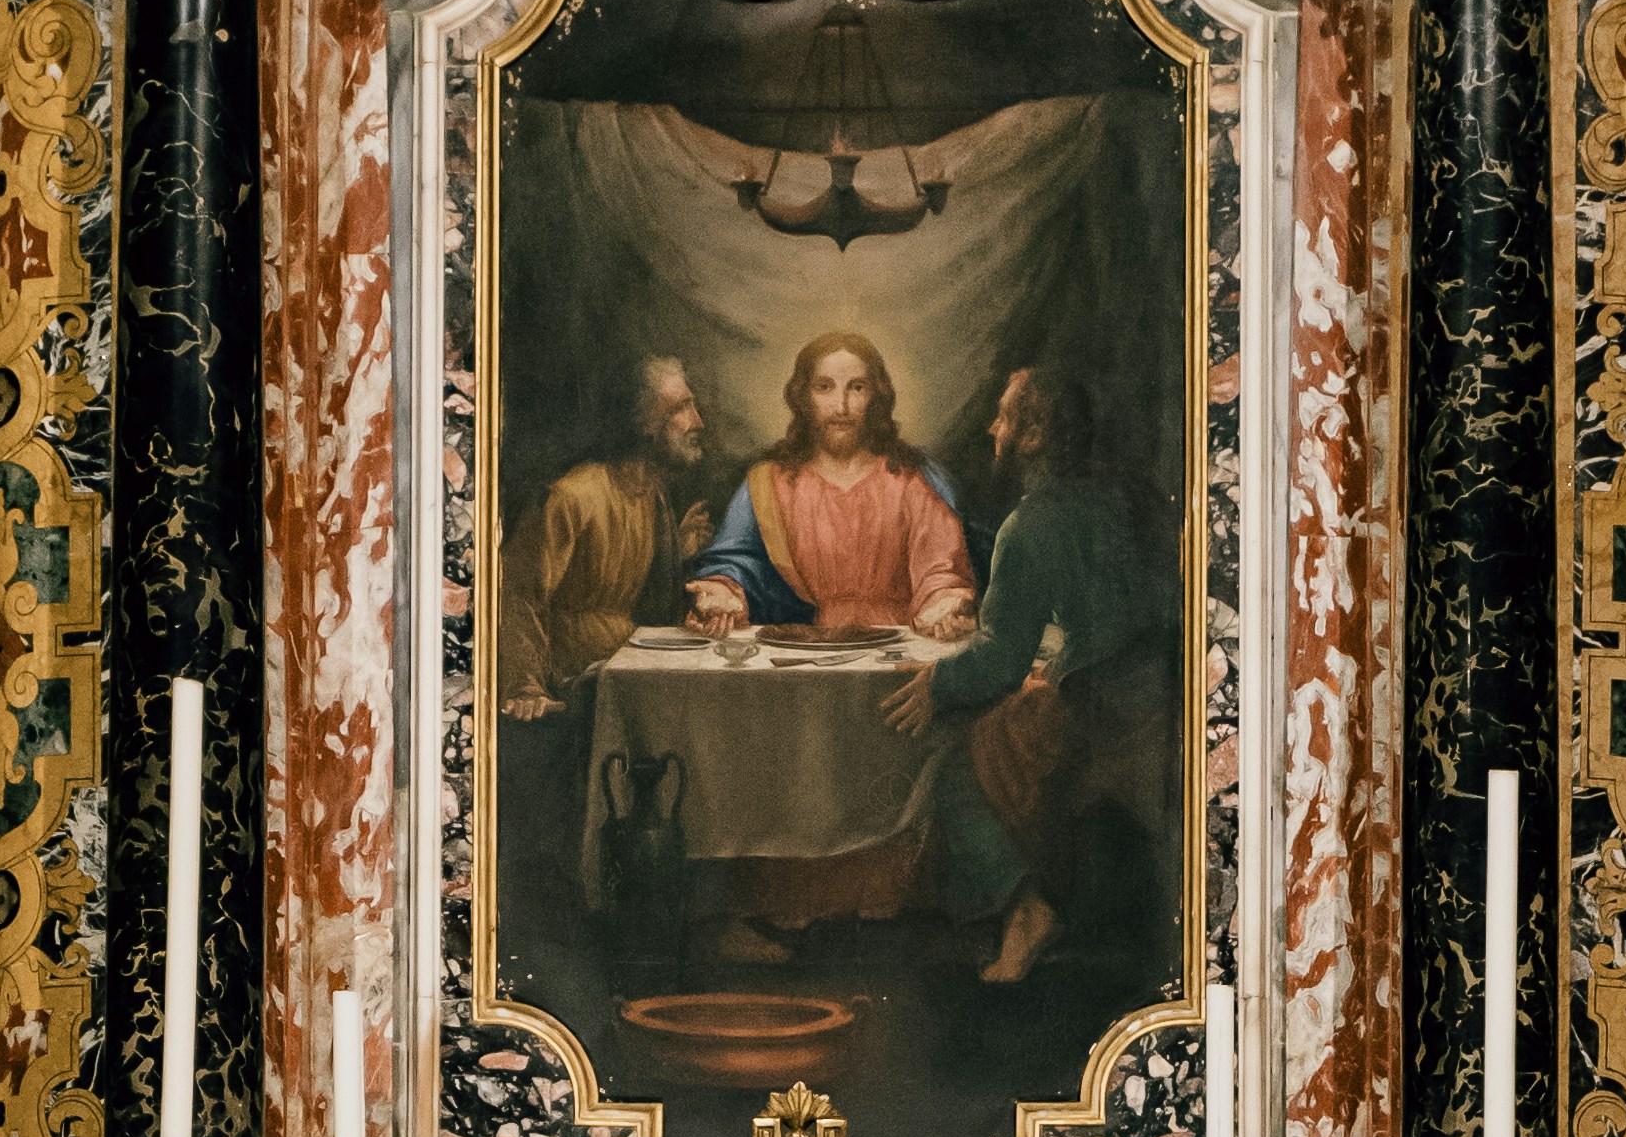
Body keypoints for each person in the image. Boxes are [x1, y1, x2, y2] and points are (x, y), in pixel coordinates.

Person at [879, 359, 1173, 985]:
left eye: (1005, 416)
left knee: (952, 767)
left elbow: (1001, 662)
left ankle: (1026, 913)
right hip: (1169, 695)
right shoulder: (1126, 499)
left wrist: (938, 682)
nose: (992, 428)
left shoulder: (1032, 524)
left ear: (1034, 434)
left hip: (1107, 716)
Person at [686, 334, 975, 641]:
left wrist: (945, 603)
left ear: (876, 395)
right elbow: (737, 562)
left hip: (896, 644)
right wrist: (721, 591)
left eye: (857, 387)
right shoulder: (768, 481)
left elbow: (940, 569)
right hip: (801, 646)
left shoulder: (911, 480)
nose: (842, 406)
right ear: (804, 397)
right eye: (825, 387)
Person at [494, 354, 716, 717]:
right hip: (573, 684)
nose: (697, 421)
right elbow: (517, 595)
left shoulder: (652, 495)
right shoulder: (573, 496)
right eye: (682, 408)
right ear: (645, 421)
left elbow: (641, 601)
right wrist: (525, 686)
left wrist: (678, 556)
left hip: (622, 673)